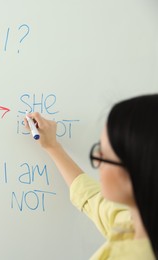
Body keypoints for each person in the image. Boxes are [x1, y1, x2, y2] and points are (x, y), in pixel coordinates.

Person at [25, 94, 158, 259]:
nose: (97, 160)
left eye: (103, 154)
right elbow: (92, 198)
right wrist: (52, 146)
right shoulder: (134, 222)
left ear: (136, 171)